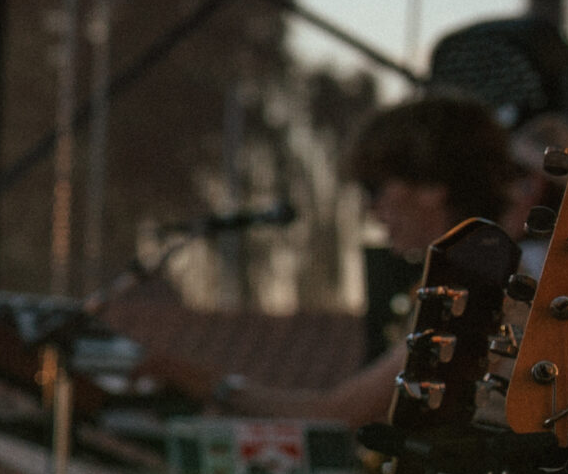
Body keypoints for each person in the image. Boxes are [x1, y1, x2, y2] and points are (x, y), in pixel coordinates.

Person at [138, 94, 534, 420]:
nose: (370, 210)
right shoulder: (484, 273)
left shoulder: (473, 288)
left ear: (431, 186)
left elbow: (339, 413)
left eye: (375, 188)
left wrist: (206, 383)